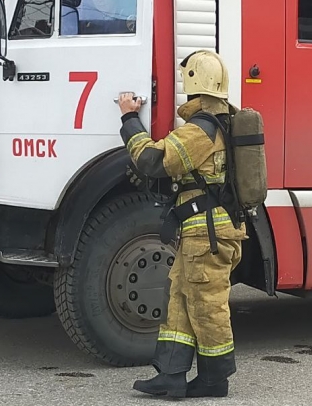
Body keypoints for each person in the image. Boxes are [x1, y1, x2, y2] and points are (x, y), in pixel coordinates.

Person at [117, 50, 246, 398]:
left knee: (206, 304)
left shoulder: (202, 128)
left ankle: (215, 379)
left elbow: (154, 160)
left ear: (193, 84)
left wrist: (130, 120)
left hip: (208, 234)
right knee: (181, 298)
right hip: (204, 232)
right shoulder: (224, 121)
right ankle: (171, 374)